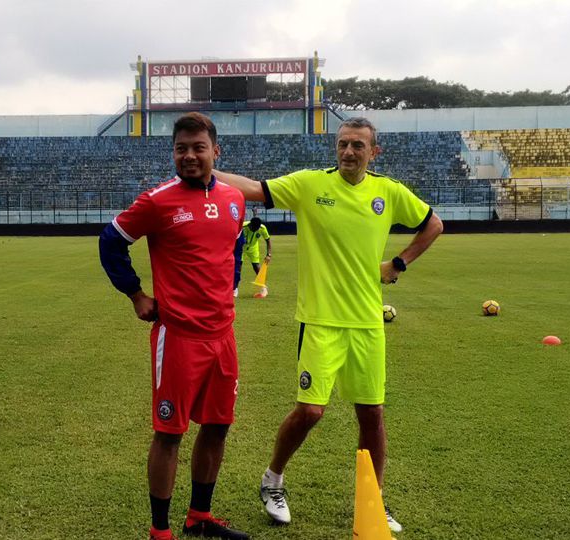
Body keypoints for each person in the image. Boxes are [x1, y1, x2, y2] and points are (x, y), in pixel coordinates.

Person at [214, 117, 443, 534]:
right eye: (342, 144)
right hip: (320, 321)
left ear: (375, 152)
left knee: (372, 414)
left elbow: (433, 224)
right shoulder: (309, 185)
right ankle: (273, 481)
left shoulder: (388, 193)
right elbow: (254, 189)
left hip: (367, 324)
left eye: (358, 145)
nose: (348, 152)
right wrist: (205, 167)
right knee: (310, 412)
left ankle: (371, 499)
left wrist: (398, 263)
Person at [99, 112, 250, 540]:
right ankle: (160, 529)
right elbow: (111, 241)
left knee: (218, 426)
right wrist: (136, 295)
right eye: (181, 148)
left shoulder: (234, 198)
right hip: (178, 337)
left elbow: (234, 244)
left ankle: (199, 516)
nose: (189, 156)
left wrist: (232, 284)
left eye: (198, 147)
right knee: (170, 432)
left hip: (223, 335)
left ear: (215, 151)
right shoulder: (157, 201)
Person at [233, 211, 272, 298]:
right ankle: (235, 289)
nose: (255, 230)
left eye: (256, 229)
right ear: (250, 225)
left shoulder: (262, 228)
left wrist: (269, 254)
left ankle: (263, 288)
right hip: (241, 248)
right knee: (238, 268)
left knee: (256, 267)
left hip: (253, 248)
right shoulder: (242, 226)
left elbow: (268, 240)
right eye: (253, 228)